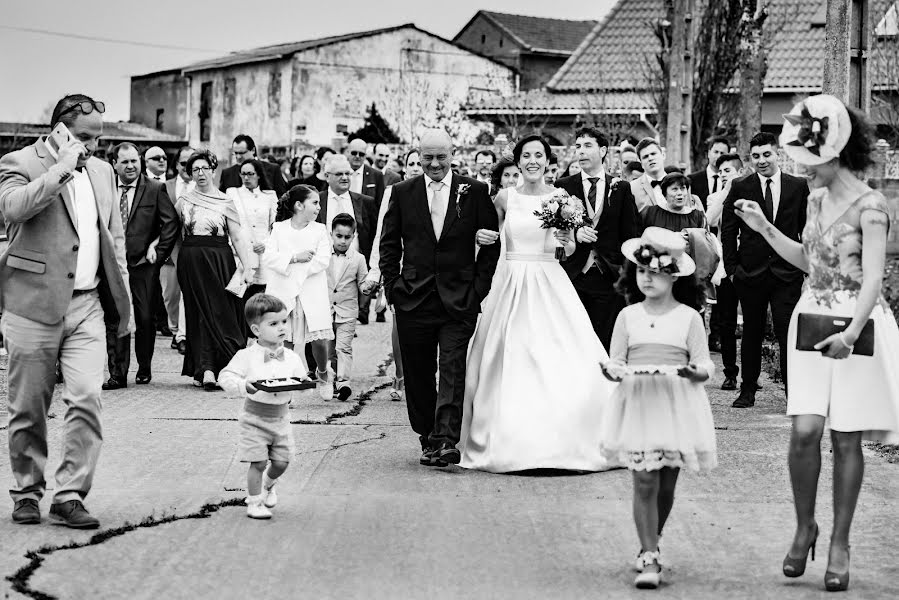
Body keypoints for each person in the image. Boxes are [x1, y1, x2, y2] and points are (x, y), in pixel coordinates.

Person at [735, 94, 899, 592]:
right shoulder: (813, 199)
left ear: (836, 154)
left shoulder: (872, 208)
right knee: (805, 430)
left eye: (809, 162)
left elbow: (873, 279)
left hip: (859, 326)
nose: (801, 169)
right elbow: (810, 264)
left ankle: (840, 543)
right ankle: (805, 526)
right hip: (810, 317)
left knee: (845, 435)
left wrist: (849, 335)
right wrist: (762, 227)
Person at [0, 93, 131, 529]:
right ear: (59, 128)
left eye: (98, 137)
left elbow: (113, 236)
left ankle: (70, 494)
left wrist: (122, 293)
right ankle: (26, 491)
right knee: (28, 407)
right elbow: (12, 209)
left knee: (88, 397)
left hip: (88, 305)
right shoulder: (20, 162)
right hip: (31, 305)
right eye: (84, 137)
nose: (93, 146)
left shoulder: (102, 171)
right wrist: (60, 169)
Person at [460, 135, 616, 473]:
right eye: (526, 155)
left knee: (559, 355)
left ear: (548, 161)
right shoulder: (504, 198)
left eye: (539, 156)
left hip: (549, 279)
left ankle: (563, 440)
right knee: (511, 358)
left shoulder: (562, 198)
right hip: (511, 281)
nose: (532, 161)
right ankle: (512, 439)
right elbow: (491, 238)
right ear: (517, 161)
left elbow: (569, 249)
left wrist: (566, 242)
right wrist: (479, 239)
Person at [600, 227, 716, 589]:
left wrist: (693, 372)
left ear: (672, 276)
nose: (647, 278)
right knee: (645, 479)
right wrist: (611, 370)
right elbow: (616, 360)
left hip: (677, 405)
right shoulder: (628, 316)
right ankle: (649, 555)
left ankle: (652, 539)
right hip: (639, 404)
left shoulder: (688, 318)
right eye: (640, 271)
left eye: (655, 272)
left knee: (666, 484)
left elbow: (704, 365)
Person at [379, 129, 500, 467]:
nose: (433, 164)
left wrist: (478, 290)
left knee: (451, 368)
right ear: (417, 155)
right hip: (412, 299)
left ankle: (446, 439)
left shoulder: (474, 192)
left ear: (453, 153)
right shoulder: (402, 193)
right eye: (426, 157)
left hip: (458, 300)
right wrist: (393, 288)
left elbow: (492, 246)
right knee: (417, 373)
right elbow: (389, 245)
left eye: (440, 157)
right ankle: (427, 435)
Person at [722, 131, 809, 408]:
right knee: (752, 333)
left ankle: (793, 395)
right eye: (756, 156)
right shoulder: (740, 186)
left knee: (788, 334)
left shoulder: (798, 186)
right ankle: (747, 390)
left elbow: (807, 230)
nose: (761, 161)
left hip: (788, 274)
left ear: (778, 153)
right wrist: (732, 268)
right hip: (750, 273)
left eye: (766, 154)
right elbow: (728, 230)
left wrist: (807, 269)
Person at [219, 293, 308, 519]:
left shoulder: (291, 357)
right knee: (257, 462)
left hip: (281, 419)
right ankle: (254, 501)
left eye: (284, 322)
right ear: (257, 330)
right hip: (254, 418)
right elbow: (225, 376)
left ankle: (269, 484)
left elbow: (301, 380)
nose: (282, 328)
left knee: (281, 462)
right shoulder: (246, 356)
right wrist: (243, 385)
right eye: (274, 323)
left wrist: (307, 383)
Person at [555, 127, 643, 349]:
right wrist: (575, 232)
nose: (581, 152)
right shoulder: (564, 186)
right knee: (574, 340)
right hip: (574, 274)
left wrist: (627, 276)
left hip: (609, 275)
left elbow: (630, 235)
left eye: (587, 146)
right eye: (578, 147)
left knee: (605, 340)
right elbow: (554, 230)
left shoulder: (621, 188)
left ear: (603, 150)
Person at [103, 142, 178, 390]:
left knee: (145, 318)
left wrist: (156, 251)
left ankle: (144, 366)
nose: (131, 166)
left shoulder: (155, 189)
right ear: (114, 164)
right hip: (112, 265)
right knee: (117, 319)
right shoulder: (105, 189)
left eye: (134, 160)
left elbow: (170, 225)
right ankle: (118, 373)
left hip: (143, 265)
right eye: (124, 162)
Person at [177, 150, 254, 390]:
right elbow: (173, 234)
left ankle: (226, 366)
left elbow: (238, 238)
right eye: (195, 169)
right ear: (190, 174)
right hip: (191, 261)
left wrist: (247, 266)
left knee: (222, 312)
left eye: (204, 168)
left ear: (213, 170)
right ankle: (206, 368)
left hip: (220, 260)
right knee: (199, 314)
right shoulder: (183, 201)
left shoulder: (225, 201)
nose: (200, 173)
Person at [264, 185, 335, 399]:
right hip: (285, 291)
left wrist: (296, 271)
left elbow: (322, 260)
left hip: (311, 291)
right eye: (314, 203)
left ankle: (322, 372)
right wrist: (295, 258)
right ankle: (285, 383)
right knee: (284, 339)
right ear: (298, 205)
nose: (318, 207)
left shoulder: (320, 230)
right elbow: (269, 258)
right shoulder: (279, 229)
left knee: (320, 341)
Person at [365, 148, 424, 401]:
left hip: (427, 268)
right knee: (399, 324)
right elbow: (382, 233)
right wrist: (375, 270)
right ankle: (400, 375)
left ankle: (421, 377)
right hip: (399, 268)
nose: (415, 167)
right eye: (410, 163)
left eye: (419, 163)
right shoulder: (393, 192)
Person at [316, 155, 378, 324]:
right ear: (327, 176)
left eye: (347, 173)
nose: (344, 177)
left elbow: (374, 236)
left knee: (345, 328)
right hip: (323, 270)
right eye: (339, 174)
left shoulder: (365, 202)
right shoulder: (316, 201)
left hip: (353, 270)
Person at [706, 153, 744, 388]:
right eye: (720, 173)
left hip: (751, 262)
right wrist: (728, 189)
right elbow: (710, 218)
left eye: (728, 171)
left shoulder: (752, 194)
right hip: (726, 266)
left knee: (751, 321)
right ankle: (730, 373)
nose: (723, 175)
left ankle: (751, 374)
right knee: (726, 320)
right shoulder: (715, 197)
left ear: (741, 172)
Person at [328, 213, 368, 401]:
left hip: (347, 311)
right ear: (331, 234)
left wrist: (368, 287)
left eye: (347, 237)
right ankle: (330, 381)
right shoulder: (322, 255)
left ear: (354, 236)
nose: (343, 241)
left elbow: (362, 283)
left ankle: (343, 383)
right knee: (328, 350)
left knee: (343, 348)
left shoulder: (358, 259)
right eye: (339, 236)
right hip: (325, 311)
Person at [226, 159, 278, 299]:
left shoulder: (269, 196)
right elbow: (228, 224)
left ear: (259, 175)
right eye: (243, 174)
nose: (246, 178)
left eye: (250, 174)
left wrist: (266, 243)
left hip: (262, 255)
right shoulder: (232, 193)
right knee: (238, 297)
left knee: (261, 299)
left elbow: (275, 226)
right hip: (240, 255)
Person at [218, 134, 287, 198]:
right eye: (236, 153)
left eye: (242, 153)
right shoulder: (227, 173)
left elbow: (282, 197)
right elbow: (222, 199)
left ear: (253, 150)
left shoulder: (273, 169)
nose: (238, 156)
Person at [641, 172, 707, 231]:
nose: (679, 193)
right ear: (665, 193)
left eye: (683, 188)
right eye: (675, 189)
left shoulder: (697, 217)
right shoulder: (651, 213)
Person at [688, 136, 730, 211]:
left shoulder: (731, 182)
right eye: (716, 152)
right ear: (708, 153)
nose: (718, 156)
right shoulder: (693, 179)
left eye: (722, 153)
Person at [631, 138, 669, 213]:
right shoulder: (632, 188)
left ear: (663, 155)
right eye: (645, 156)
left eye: (653, 154)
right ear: (641, 163)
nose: (650, 158)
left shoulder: (679, 183)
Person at [346, 137, 386, 207]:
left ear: (365, 156)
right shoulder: (340, 172)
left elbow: (380, 203)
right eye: (354, 153)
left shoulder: (376, 175)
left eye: (361, 154)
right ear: (348, 153)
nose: (357, 156)